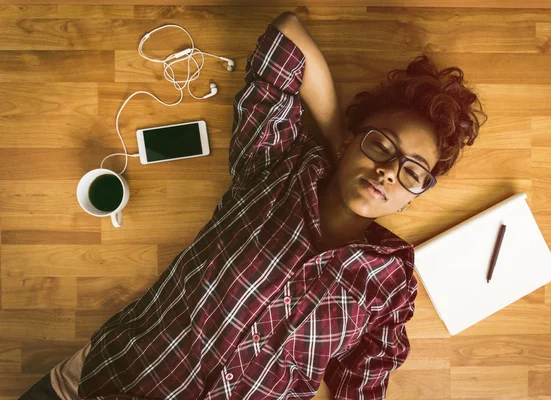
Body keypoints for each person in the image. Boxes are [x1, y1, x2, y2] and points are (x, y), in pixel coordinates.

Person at [20, 11, 486, 400]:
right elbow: (287, 37)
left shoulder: (391, 283)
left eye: (412, 173)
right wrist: (333, 144)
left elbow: (361, 386)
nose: (389, 171)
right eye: (381, 144)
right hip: (102, 385)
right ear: (349, 141)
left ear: (411, 198)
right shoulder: (275, 170)